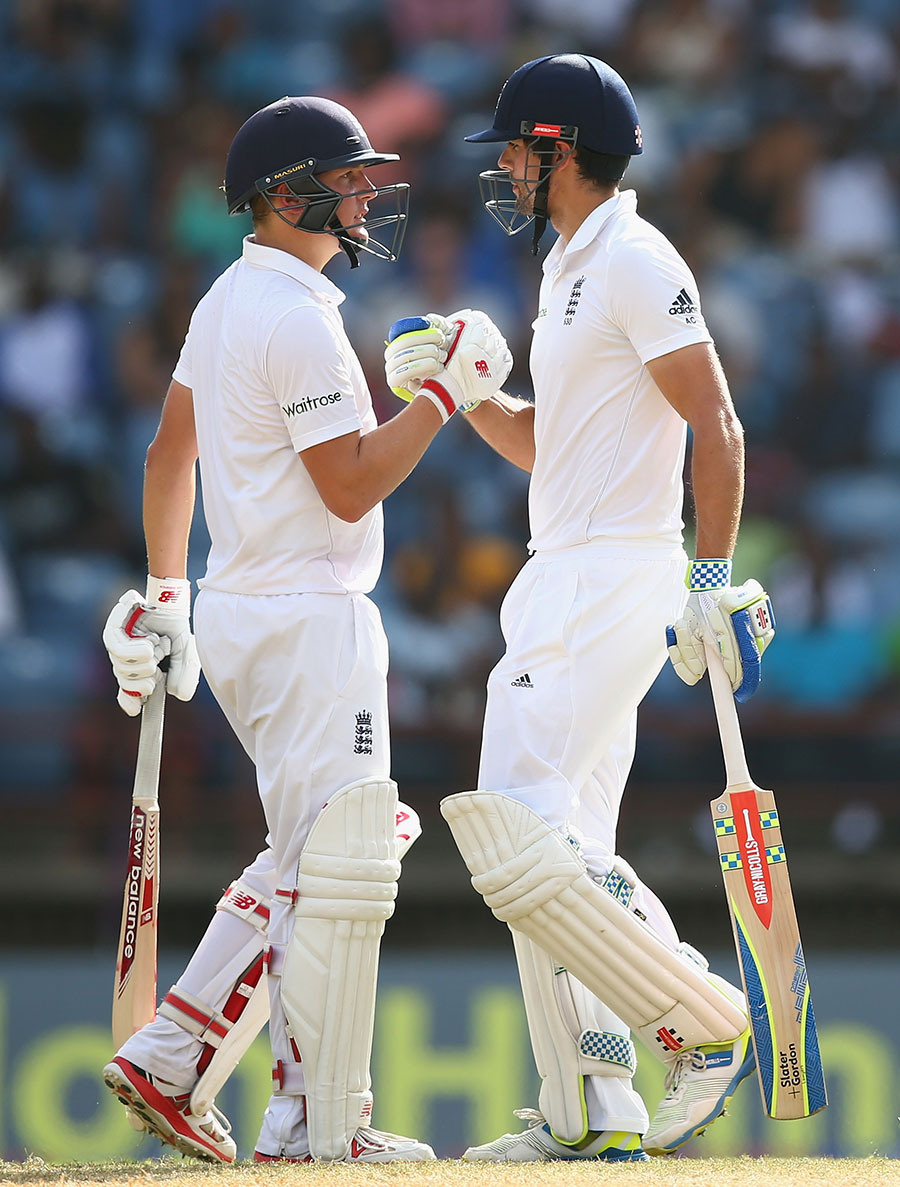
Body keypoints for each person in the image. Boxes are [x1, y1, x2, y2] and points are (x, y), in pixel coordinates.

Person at [99, 95, 506, 1164]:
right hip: (310, 620)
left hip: (244, 611)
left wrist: (168, 591)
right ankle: (315, 1125)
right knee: (336, 871)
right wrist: (444, 400)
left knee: (315, 856)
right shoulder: (297, 315)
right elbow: (351, 485)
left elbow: (166, 456)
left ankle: (174, 1050)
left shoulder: (229, 297)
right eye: (348, 176)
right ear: (288, 195)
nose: (367, 194)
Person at [384, 54, 776, 1161]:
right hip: (568, 564)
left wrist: (710, 572)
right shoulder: (569, 265)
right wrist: (459, 394)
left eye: (517, 149)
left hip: (611, 574)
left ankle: (701, 1019)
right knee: (557, 846)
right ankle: (591, 1114)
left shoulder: (636, 258)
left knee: (516, 825)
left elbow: (719, 425)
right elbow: (547, 442)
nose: (506, 169)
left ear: (560, 150)